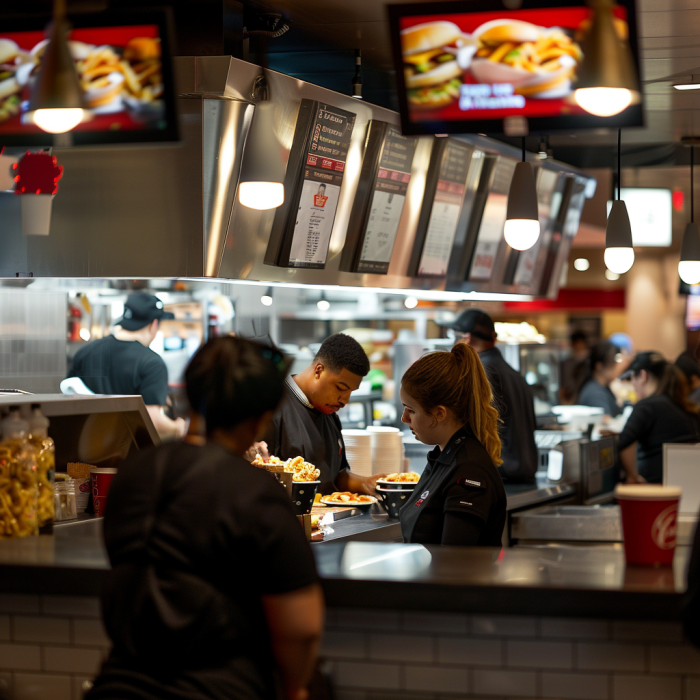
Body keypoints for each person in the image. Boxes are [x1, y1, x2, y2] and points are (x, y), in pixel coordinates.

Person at [86, 337, 324, 700]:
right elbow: (301, 626)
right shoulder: (255, 491)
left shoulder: (134, 472)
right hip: (219, 688)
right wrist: (294, 690)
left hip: (119, 685)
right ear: (262, 416)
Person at [399, 343, 507, 546]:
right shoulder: (443, 456)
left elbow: (454, 563)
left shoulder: (469, 469)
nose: (404, 418)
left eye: (410, 410)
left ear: (439, 413)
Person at [257, 333, 383, 495]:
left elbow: (338, 476)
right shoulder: (273, 407)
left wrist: (367, 483)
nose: (345, 400)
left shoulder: (330, 415)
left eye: (351, 391)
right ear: (319, 370)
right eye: (340, 388)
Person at [68, 292, 185, 440]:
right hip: (128, 455)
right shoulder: (152, 364)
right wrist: (178, 429)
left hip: (86, 449)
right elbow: (153, 423)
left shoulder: (85, 352)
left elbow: (68, 398)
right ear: (154, 324)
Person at [443, 308, 538, 483]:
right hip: (525, 472)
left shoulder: (478, 374)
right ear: (493, 338)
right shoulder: (514, 374)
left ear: (467, 339)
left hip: (500, 475)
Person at [618, 352, 700, 484]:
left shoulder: (646, 406)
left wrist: (634, 478)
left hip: (657, 490)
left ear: (643, 376)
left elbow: (623, 443)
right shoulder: (682, 404)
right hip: (688, 488)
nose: (633, 385)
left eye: (632, 378)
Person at [577, 341, 623, 418]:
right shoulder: (594, 393)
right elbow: (606, 421)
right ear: (599, 366)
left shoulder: (601, 387)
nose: (617, 367)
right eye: (613, 363)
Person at [560, 330, 590, 404]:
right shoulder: (566, 363)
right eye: (576, 344)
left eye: (580, 344)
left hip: (585, 396)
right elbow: (563, 385)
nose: (578, 346)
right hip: (570, 397)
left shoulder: (589, 361)